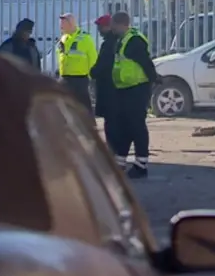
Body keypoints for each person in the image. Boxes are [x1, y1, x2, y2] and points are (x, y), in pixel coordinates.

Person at [111, 11, 158, 179]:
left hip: (137, 88)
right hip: (126, 88)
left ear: (121, 24)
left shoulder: (133, 40)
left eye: (114, 25)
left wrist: (155, 79)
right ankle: (121, 161)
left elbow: (145, 62)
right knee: (125, 125)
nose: (112, 28)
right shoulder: (123, 39)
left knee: (136, 125)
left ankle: (141, 164)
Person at [57, 13, 98, 113]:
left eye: (63, 23)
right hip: (65, 78)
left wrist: (91, 76)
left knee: (83, 108)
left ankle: (88, 126)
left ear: (71, 24)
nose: (60, 26)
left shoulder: (85, 38)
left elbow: (93, 59)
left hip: (79, 79)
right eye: (60, 23)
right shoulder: (63, 39)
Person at [90, 14, 118, 152]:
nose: (99, 30)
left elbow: (103, 65)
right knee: (114, 120)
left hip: (108, 87)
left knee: (111, 122)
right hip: (115, 86)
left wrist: (93, 72)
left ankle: (112, 148)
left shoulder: (108, 44)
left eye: (100, 27)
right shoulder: (117, 41)